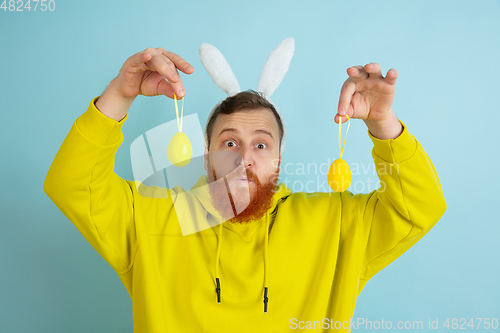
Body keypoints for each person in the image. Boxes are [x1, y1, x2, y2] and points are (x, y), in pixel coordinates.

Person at [43, 46, 447, 332]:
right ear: (206, 159)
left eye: (261, 144)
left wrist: (382, 123)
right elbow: (72, 184)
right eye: (230, 143)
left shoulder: (336, 224)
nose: (244, 159)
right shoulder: (152, 219)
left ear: (279, 160)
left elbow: (420, 207)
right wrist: (120, 93)